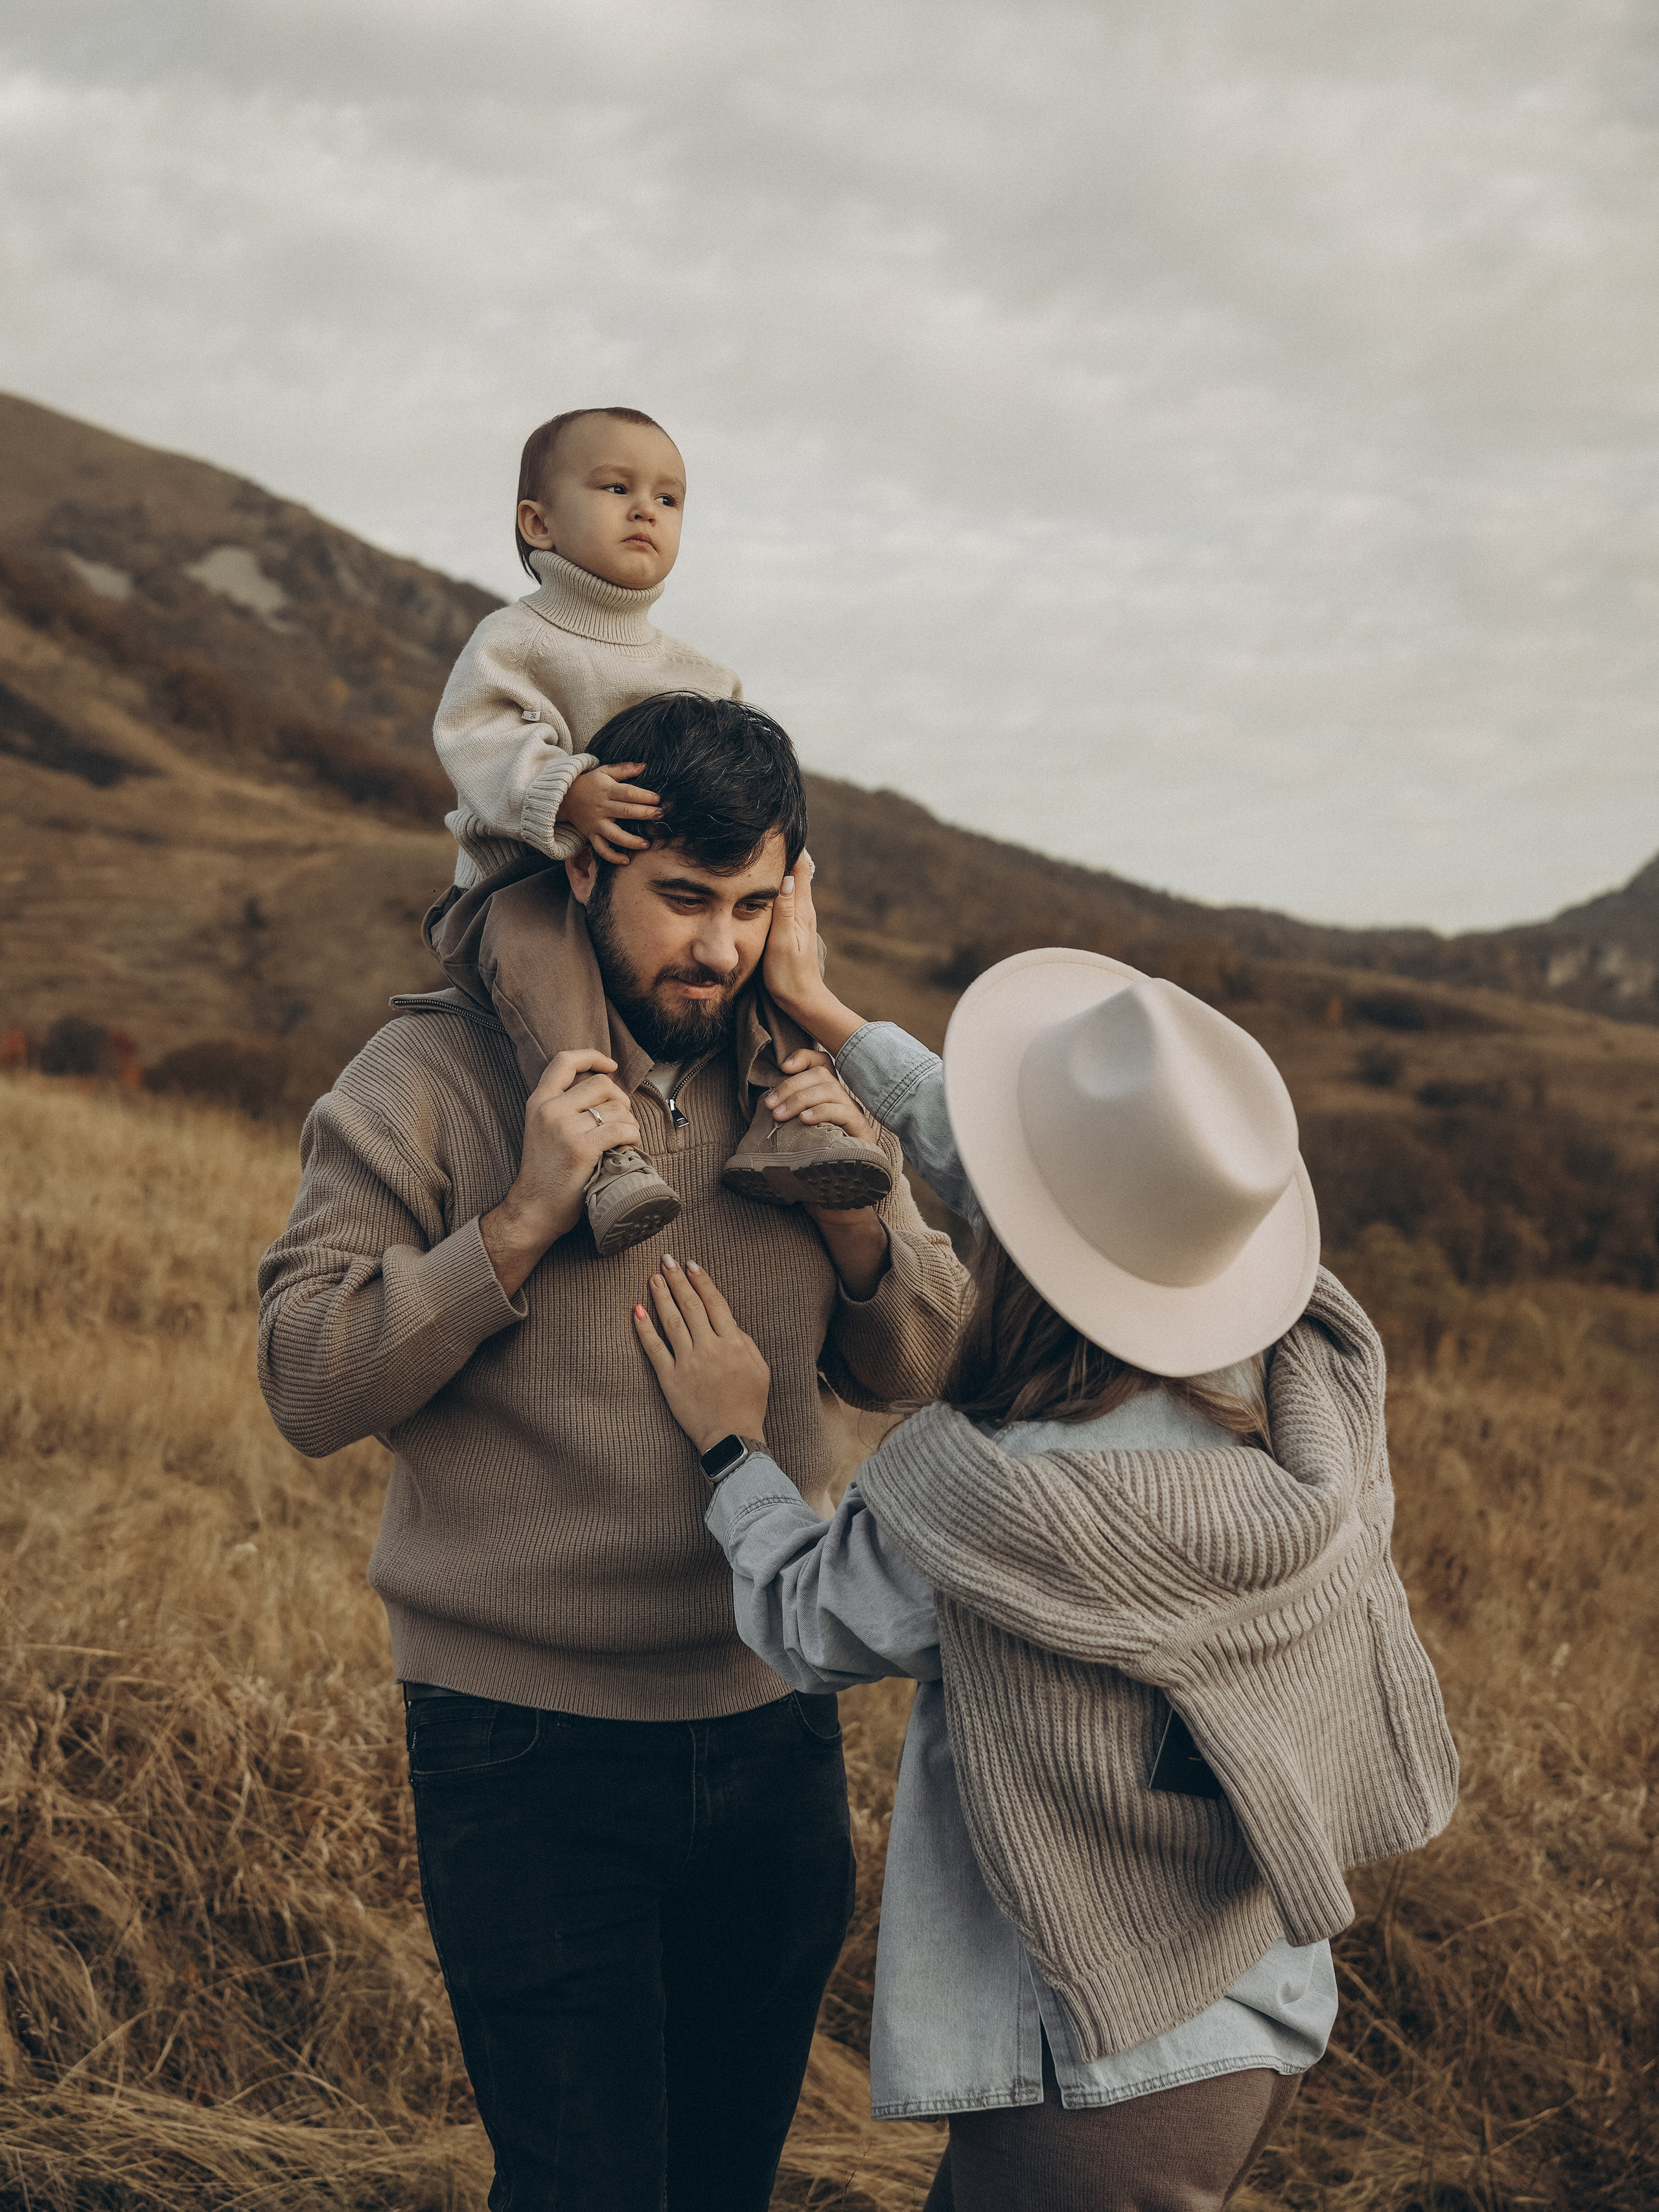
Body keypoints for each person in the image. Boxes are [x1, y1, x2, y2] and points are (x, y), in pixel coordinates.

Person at [631, 857, 1460, 2212]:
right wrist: (827, 1012)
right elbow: (1097, 1205)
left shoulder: (992, 1500)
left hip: (1090, 2053)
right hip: (1247, 2007)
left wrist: (732, 1444)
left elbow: (802, 1615)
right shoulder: (1304, 1387)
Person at [256, 708, 969, 2212]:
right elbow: (309, 1383)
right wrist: (518, 1219)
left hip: (771, 1729)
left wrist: (856, 1216)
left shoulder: (802, 1095)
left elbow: (914, 1367)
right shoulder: (430, 1073)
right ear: (586, 874)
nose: (717, 948)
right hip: (522, 1747)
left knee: (719, 2186)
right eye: (683, 899)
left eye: (751, 905)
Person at [430, 404, 889, 1252]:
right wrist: (563, 790)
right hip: (521, 887)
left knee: (770, 952)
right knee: (542, 947)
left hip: (642, 902)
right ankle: (604, 1148)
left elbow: (748, 802)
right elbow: (476, 736)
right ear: (539, 522)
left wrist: (770, 888)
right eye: (616, 487)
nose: (646, 510)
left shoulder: (702, 673)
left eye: (669, 498)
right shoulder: (514, 642)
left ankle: (792, 1116)